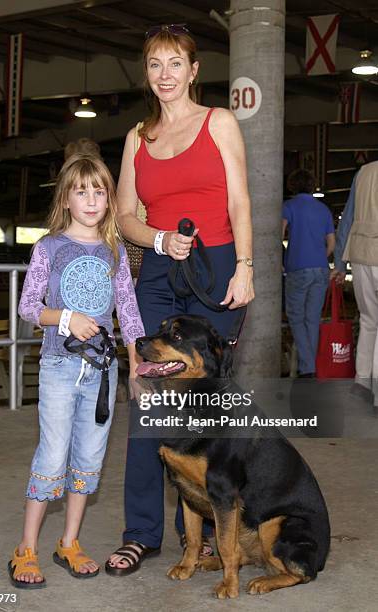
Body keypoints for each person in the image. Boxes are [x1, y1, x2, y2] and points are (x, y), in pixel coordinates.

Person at [105, 24, 254, 576]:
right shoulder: (137, 139)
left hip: (214, 266)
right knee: (149, 400)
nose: (164, 75)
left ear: (193, 71)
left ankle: (207, 531)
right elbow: (124, 217)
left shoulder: (220, 123)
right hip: (160, 269)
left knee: (206, 404)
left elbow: (240, 199)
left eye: (175, 64)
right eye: (154, 64)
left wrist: (245, 265)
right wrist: (158, 238)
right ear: (146, 73)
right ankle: (140, 533)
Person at [8, 152, 144, 588]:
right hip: (59, 365)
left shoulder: (115, 250)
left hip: (103, 371)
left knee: (90, 456)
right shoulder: (48, 247)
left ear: (108, 199)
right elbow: (28, 307)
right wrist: (66, 318)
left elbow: (128, 309)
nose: (90, 199)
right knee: (52, 453)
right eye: (81, 191)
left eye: (99, 191)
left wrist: (136, 363)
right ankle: (25, 549)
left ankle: (69, 541)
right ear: (66, 199)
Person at [331, 160, 378, 416]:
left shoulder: (363, 171)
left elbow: (347, 219)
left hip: (360, 256)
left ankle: (362, 382)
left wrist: (339, 262)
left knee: (370, 320)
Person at [282, 169, 335, 377]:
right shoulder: (323, 210)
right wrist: (319, 256)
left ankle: (308, 369)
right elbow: (331, 244)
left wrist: (283, 258)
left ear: (292, 186)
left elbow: (278, 233)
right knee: (312, 319)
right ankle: (309, 367)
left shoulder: (289, 206)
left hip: (297, 268)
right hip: (321, 269)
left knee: (296, 318)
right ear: (312, 186)